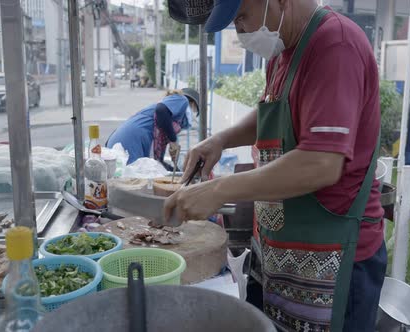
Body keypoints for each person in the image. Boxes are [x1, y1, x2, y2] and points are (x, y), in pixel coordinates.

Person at [164, 1, 385, 331]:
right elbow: (276, 111)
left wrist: (217, 189)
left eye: (241, 16)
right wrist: (221, 140)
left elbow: (322, 163)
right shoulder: (286, 50)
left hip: (335, 262)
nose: (239, 30)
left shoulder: (335, 46)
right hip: (280, 254)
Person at [106, 88, 200, 171]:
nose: (194, 114)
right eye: (195, 110)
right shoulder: (182, 100)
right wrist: (173, 141)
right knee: (133, 181)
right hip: (130, 141)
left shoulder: (167, 122)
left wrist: (175, 170)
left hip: (122, 139)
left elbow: (158, 163)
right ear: (191, 103)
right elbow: (161, 110)